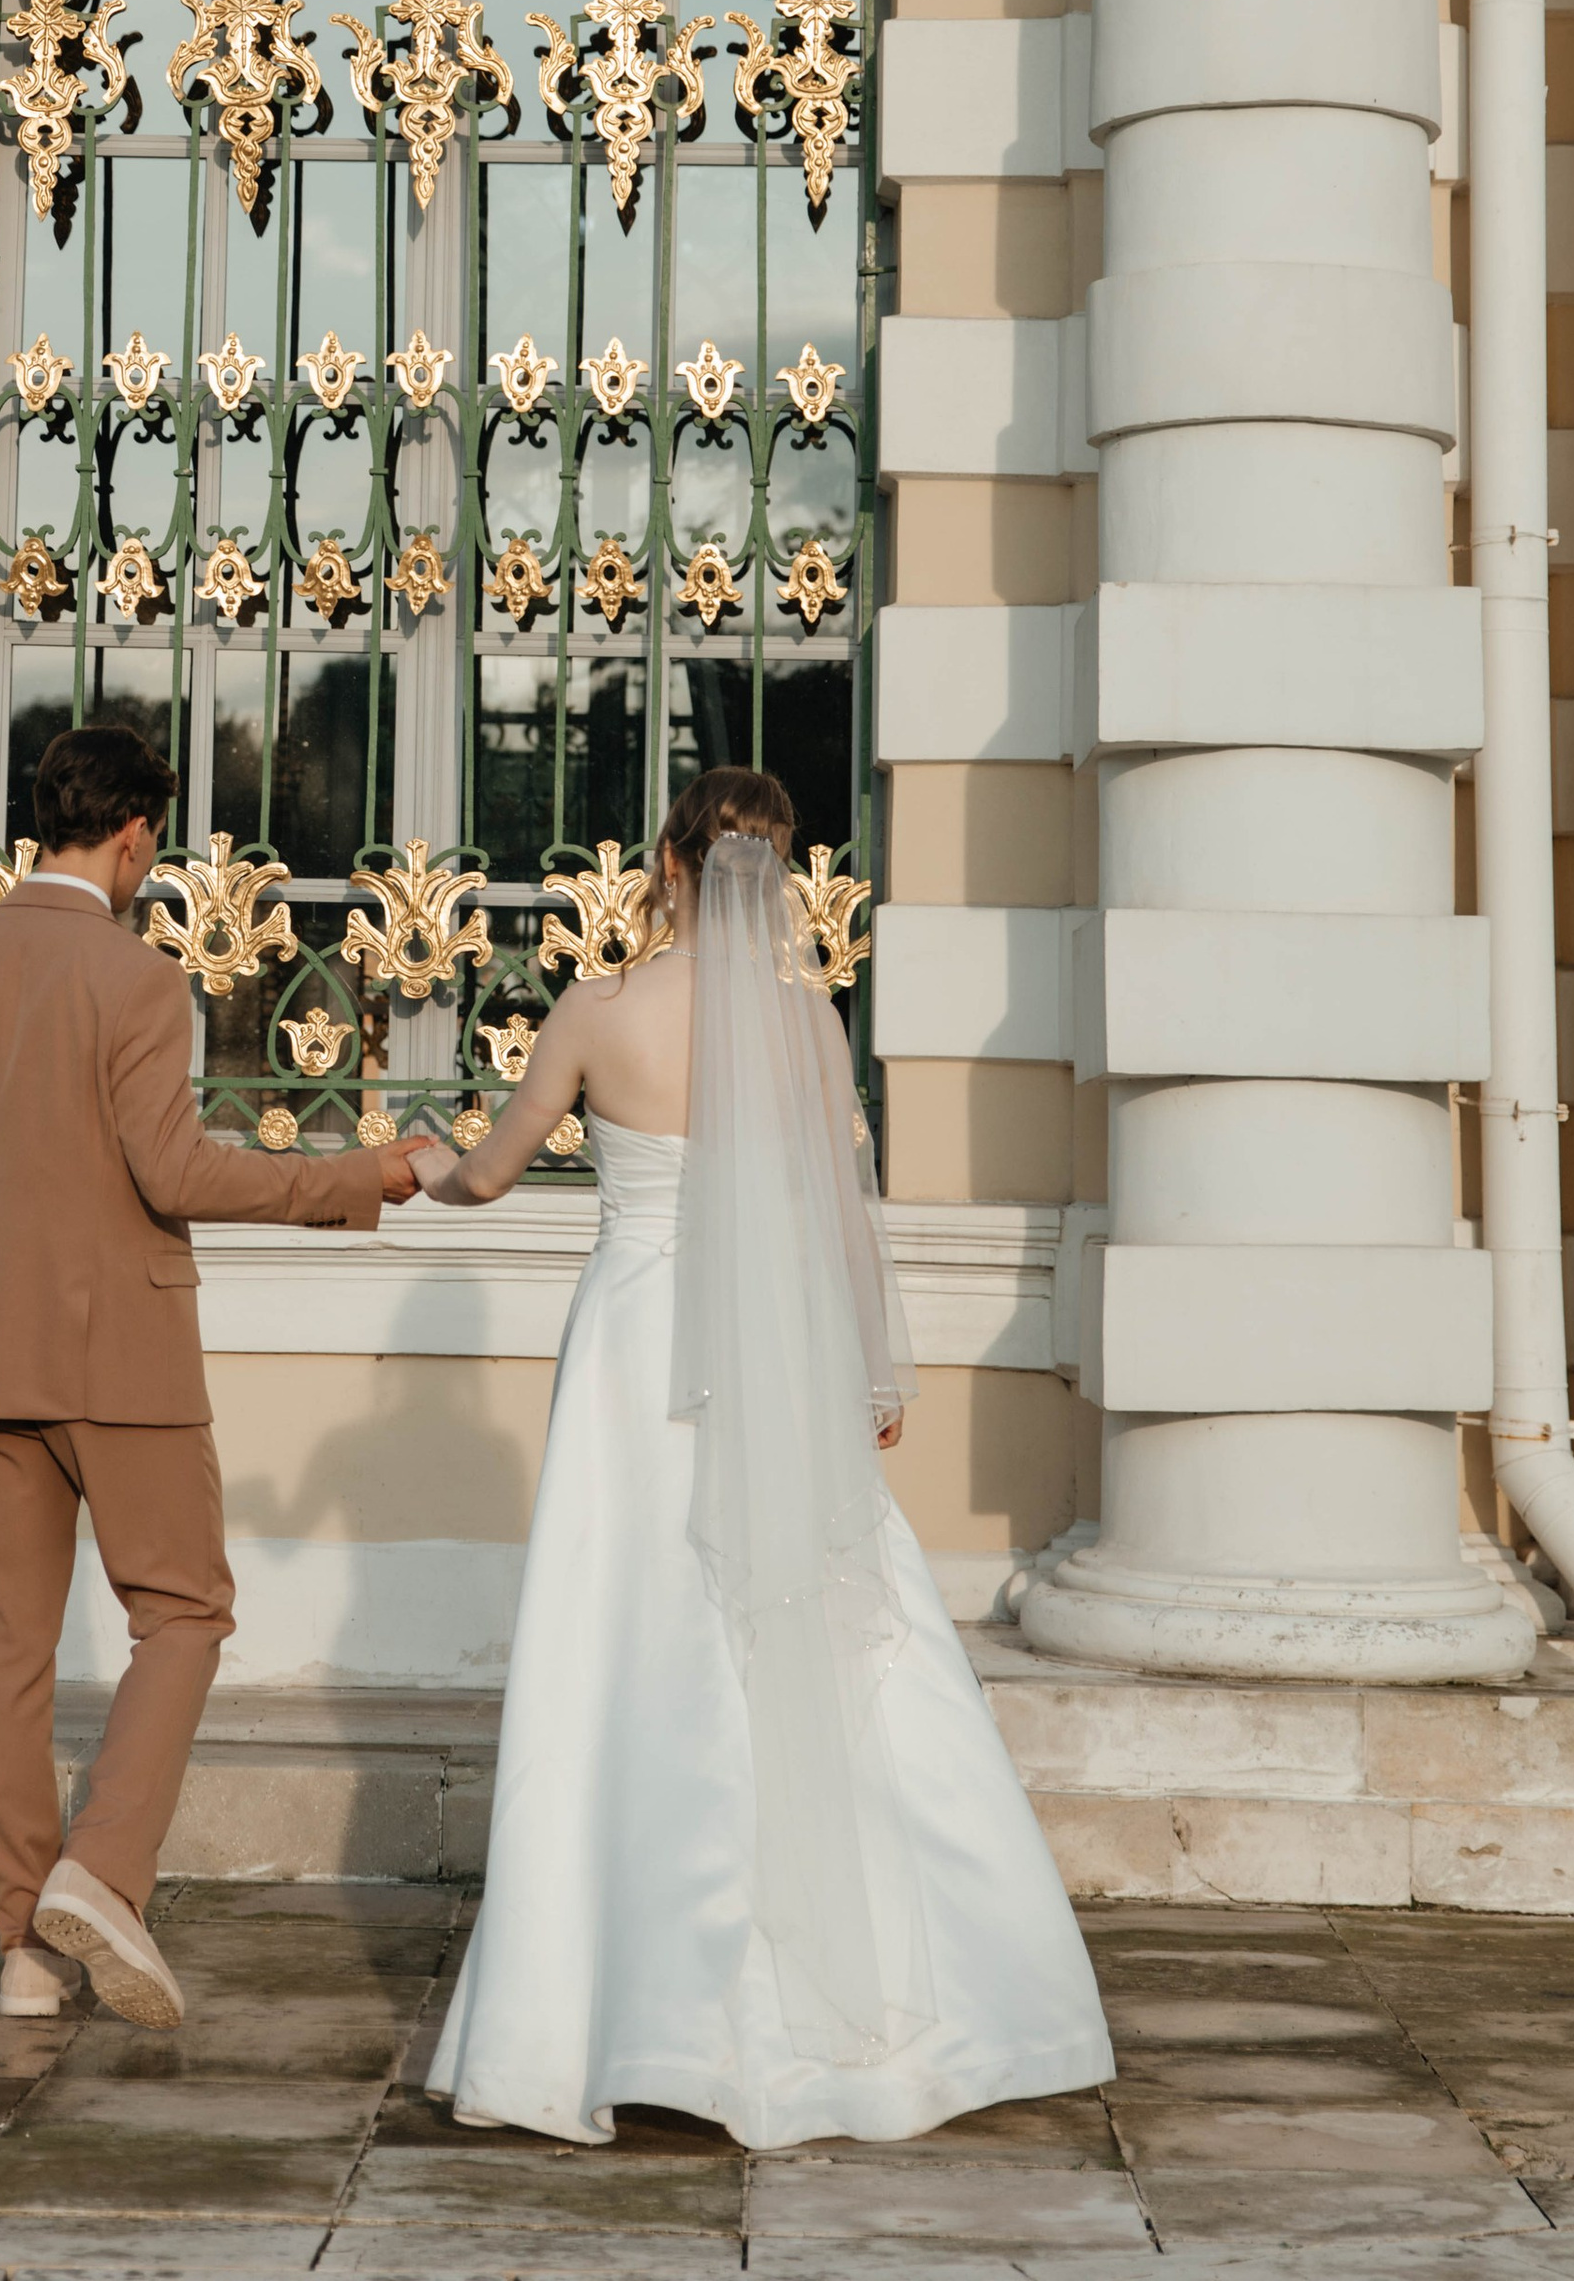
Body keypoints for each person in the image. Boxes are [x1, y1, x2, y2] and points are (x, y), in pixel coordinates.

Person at [415, 763, 1113, 2148]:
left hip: (633, 1351)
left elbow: (487, 1176)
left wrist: (412, 1158)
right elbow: (833, 1207)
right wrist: (863, 1365)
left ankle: (613, 2016)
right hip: (773, 1354)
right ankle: (926, 2006)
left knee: (628, 1642)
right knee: (809, 1633)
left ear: (665, 871)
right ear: (772, 878)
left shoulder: (597, 1010)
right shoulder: (805, 1021)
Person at [0, 722, 424, 2027]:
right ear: (132, 835)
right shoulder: (134, 981)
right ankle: (103, 1872)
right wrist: (363, 1173)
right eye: (151, 847)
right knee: (184, 1611)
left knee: (6, 1654)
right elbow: (176, 1174)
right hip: (121, 1350)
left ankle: (24, 1949)